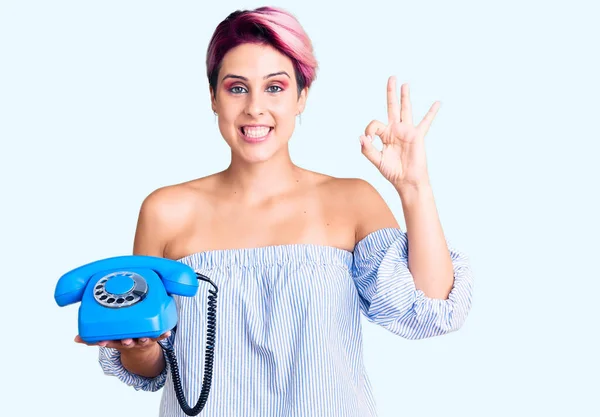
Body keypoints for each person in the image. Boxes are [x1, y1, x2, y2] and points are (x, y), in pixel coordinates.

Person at [75, 6, 474, 416]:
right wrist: (136, 344)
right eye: (236, 88)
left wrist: (414, 188)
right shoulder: (166, 211)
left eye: (275, 87)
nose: (254, 108)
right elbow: (155, 367)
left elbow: (431, 310)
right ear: (213, 97)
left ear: (302, 96)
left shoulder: (352, 200)